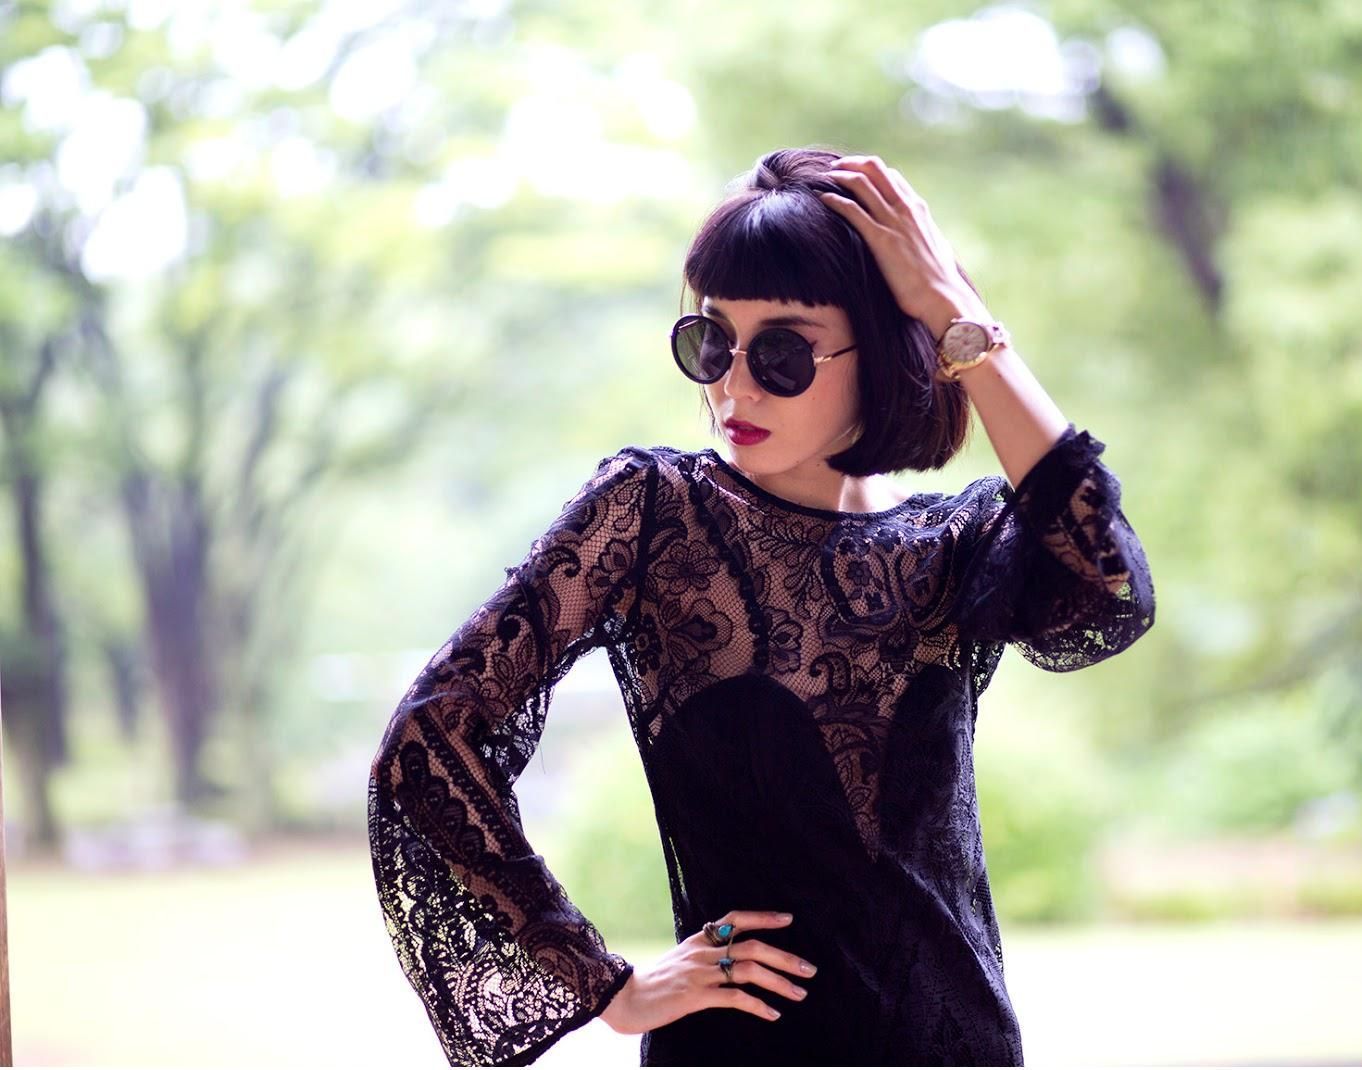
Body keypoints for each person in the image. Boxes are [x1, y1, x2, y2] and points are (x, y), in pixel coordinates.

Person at [366, 145, 1156, 1067]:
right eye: (711, 341)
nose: (732, 386)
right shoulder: (656, 514)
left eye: (781, 352)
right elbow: (434, 736)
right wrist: (606, 985)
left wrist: (953, 313)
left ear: (883, 346)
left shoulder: (957, 543)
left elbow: (1110, 585)